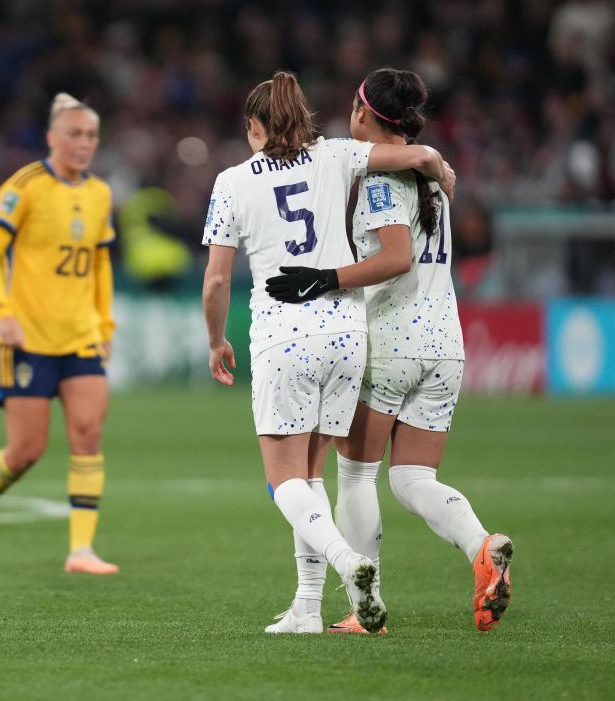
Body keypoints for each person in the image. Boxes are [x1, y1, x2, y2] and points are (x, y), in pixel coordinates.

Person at [202, 71, 452, 634]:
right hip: (346, 335)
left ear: (255, 127)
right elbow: (408, 154)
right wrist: (437, 162)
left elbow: (216, 282)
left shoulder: (231, 182)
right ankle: (307, 608)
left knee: (283, 481)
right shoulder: (338, 155)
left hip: (283, 337)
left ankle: (347, 561)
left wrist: (216, 341)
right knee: (312, 476)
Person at [266, 68, 513, 633]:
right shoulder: (432, 174)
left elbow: (396, 257)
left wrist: (325, 278)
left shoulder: (382, 181)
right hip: (446, 345)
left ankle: (364, 606)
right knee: (412, 479)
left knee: (356, 478)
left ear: (362, 114)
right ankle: (482, 546)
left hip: (391, 343)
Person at [0, 93, 119, 576]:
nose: (83, 143)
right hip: (26, 339)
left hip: (80, 337)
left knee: (88, 435)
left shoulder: (100, 194)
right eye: (74, 133)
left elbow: (98, 262)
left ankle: (81, 550)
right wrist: (2, 312)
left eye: (91, 135)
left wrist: (104, 322)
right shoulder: (23, 186)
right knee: (26, 451)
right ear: (52, 137)